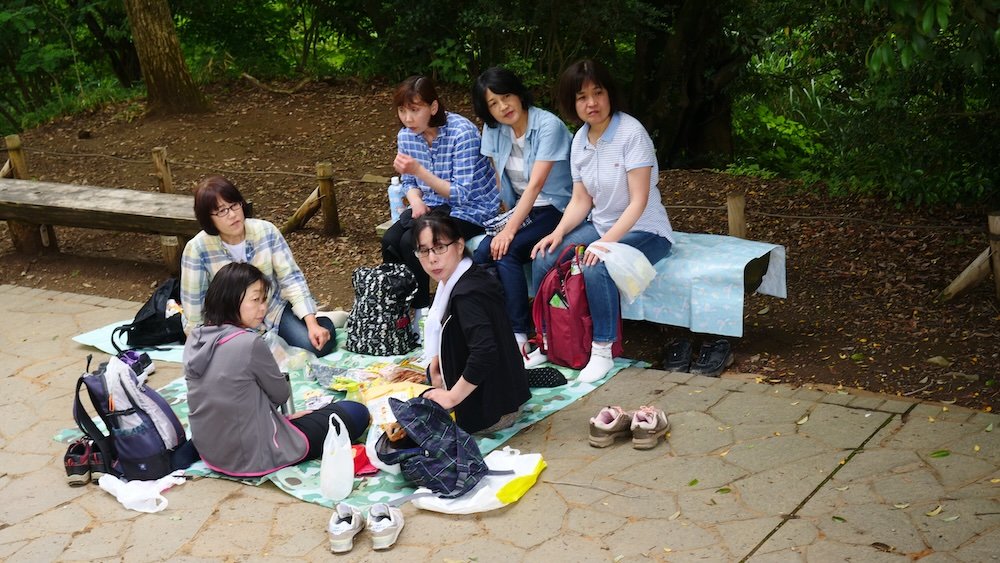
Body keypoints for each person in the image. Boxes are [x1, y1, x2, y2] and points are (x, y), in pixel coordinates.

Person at [530, 59, 675, 383]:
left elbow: (638, 201)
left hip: (646, 230)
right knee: (544, 257)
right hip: (601, 225)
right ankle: (546, 339)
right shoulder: (579, 140)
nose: (591, 102)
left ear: (610, 94)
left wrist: (606, 243)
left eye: (598, 93)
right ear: (572, 103)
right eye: (582, 97)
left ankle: (602, 350)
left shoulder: (630, 133)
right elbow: (581, 199)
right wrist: (559, 232)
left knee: (597, 264)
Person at [182, 262, 370, 477]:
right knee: (356, 411)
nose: (262, 308)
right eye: (255, 300)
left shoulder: (195, 338)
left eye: (264, 300)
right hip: (255, 455)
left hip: (211, 450)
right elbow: (280, 394)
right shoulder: (249, 343)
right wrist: (284, 420)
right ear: (229, 299)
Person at [470, 67, 574, 352]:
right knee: (482, 252)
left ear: (518, 93)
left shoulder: (548, 126)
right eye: (493, 103)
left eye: (506, 96)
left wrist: (508, 231)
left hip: (557, 208)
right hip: (523, 210)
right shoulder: (493, 130)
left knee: (507, 251)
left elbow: (536, 185)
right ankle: (491, 321)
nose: (503, 107)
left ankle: (518, 333)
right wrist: (505, 222)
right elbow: (501, 180)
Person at [381, 75, 500, 314]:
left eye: (415, 110)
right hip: (435, 207)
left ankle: (423, 311)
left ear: (433, 107)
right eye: (402, 111)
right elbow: (409, 181)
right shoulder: (406, 135)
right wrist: (415, 201)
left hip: (473, 209)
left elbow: (461, 193)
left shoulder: (461, 132)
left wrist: (419, 171)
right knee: (391, 240)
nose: (407, 118)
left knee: (412, 241)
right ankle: (398, 311)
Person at [180, 175, 335, 357]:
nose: (232, 214)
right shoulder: (197, 249)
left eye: (234, 205)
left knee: (314, 346)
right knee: (244, 360)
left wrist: (311, 324)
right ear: (208, 218)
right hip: (229, 322)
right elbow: (194, 305)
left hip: (272, 309)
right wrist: (199, 345)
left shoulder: (266, 231)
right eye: (222, 211)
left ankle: (321, 320)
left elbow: (291, 279)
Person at [414, 213, 531, 434]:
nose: (432, 259)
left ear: (459, 245)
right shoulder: (465, 277)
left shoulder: (467, 294)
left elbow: (485, 353)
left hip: (492, 412)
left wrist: (451, 397)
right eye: (424, 250)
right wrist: (437, 362)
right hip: (504, 396)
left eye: (439, 247)